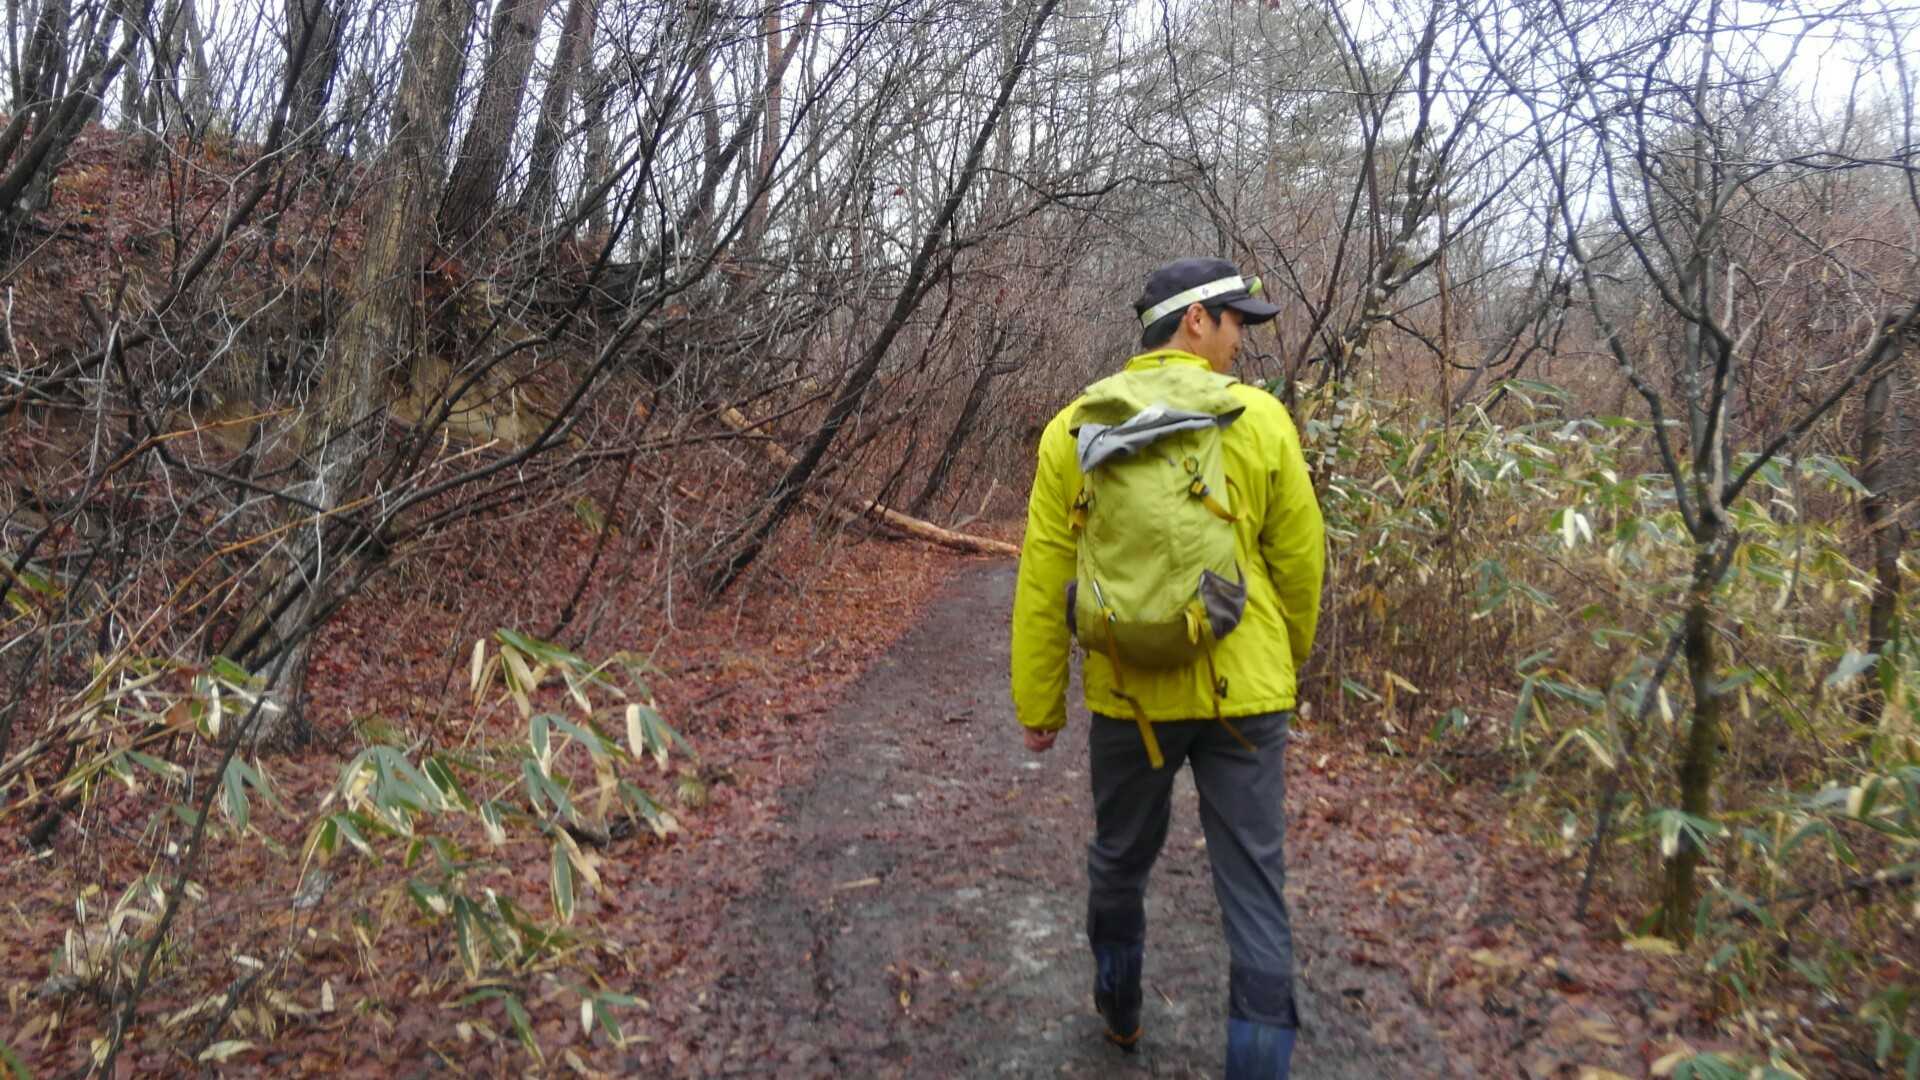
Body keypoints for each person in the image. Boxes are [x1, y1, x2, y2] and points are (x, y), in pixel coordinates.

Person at [1009, 257, 1325, 1077]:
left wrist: (1041, 703)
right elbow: (1300, 563)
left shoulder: (1072, 427)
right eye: (1235, 321)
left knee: (1120, 860)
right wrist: (1284, 659)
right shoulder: (1260, 420)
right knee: (1254, 888)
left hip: (1129, 694)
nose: (1240, 340)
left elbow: (1045, 578)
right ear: (1195, 320)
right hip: (1245, 692)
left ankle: (1119, 1009)